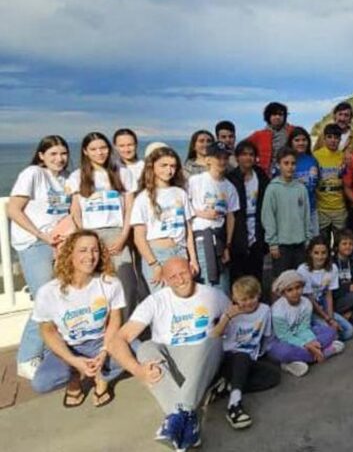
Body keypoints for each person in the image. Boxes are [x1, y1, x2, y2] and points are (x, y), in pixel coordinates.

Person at [108, 257, 229, 450]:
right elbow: (117, 340)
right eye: (173, 277)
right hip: (169, 361)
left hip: (200, 358)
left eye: (183, 273)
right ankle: (186, 417)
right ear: (165, 279)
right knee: (147, 347)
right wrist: (137, 370)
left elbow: (235, 323)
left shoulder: (214, 295)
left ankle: (177, 419)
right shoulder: (156, 300)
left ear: (192, 270)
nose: (180, 280)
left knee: (214, 341)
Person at [30, 231, 126, 407]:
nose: (90, 256)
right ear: (70, 254)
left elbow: (115, 321)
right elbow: (47, 330)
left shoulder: (111, 284)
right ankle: (74, 377)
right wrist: (72, 360)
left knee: (137, 353)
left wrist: (105, 351)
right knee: (41, 383)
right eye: (83, 250)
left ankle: (102, 377)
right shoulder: (48, 292)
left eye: (95, 250)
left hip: (100, 341)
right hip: (68, 345)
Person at [9, 136, 71, 380]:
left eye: (63, 153)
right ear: (41, 155)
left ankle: (47, 351)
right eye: (53, 153)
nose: (59, 158)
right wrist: (40, 234)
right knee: (45, 299)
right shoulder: (33, 173)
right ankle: (26, 358)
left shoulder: (65, 179)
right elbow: (13, 209)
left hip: (58, 245)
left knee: (58, 298)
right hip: (34, 244)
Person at [66, 132, 138, 318]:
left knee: (126, 282)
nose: (99, 153)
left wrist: (123, 236)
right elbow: (76, 211)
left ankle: (124, 328)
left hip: (116, 232)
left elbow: (130, 207)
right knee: (96, 283)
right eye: (94, 149)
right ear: (85, 151)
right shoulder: (77, 176)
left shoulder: (122, 172)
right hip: (90, 234)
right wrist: (83, 238)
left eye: (103, 148)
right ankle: (104, 328)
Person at [210, 276, 280, 430]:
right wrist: (227, 318)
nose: (248, 302)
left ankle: (229, 386)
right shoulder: (231, 313)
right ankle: (234, 405)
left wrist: (266, 354)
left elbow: (267, 337)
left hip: (251, 356)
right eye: (243, 299)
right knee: (241, 357)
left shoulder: (265, 310)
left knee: (274, 376)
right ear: (235, 298)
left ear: (259, 295)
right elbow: (214, 335)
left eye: (252, 297)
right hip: (231, 357)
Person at [130, 147, 198, 292]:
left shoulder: (180, 193)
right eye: (164, 165)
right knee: (162, 298)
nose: (169, 170)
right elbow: (139, 238)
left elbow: (188, 231)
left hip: (180, 250)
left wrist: (193, 258)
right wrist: (154, 264)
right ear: (152, 166)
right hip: (157, 253)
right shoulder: (143, 198)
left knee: (184, 295)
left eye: (172, 166)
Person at [267, 270, 345, 377]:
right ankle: (325, 352)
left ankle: (298, 361)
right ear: (283, 293)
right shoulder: (277, 310)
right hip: (282, 340)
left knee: (330, 331)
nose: (295, 292)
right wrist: (307, 345)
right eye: (290, 290)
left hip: (303, 335)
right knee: (283, 352)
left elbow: (304, 327)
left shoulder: (306, 303)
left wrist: (311, 342)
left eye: (298, 288)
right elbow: (284, 336)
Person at [188, 141, 240, 291]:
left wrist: (228, 245)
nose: (222, 161)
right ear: (208, 159)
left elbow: (231, 217)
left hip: (220, 238)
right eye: (218, 157)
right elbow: (185, 207)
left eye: (225, 157)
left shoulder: (229, 187)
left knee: (223, 284)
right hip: (200, 238)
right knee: (205, 283)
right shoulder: (195, 181)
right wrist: (203, 213)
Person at [261, 148, 312, 281]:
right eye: (286, 163)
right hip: (281, 245)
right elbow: (268, 217)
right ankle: (277, 303)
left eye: (293, 163)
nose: (290, 167)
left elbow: (306, 215)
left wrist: (308, 238)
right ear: (279, 165)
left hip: (300, 244)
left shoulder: (301, 188)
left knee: (299, 280)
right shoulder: (273, 188)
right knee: (280, 281)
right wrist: (272, 243)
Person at [226, 141, 270, 285]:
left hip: (257, 228)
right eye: (244, 154)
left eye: (251, 154)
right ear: (237, 157)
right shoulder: (231, 178)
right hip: (239, 230)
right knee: (238, 274)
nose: (248, 158)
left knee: (257, 272)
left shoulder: (260, 175)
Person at [297, 237, 353, 341]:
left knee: (349, 331)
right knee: (330, 331)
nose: (320, 257)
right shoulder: (303, 270)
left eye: (323, 253)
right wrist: (328, 319)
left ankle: (329, 337)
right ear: (310, 253)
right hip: (309, 309)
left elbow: (329, 295)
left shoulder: (332, 268)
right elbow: (310, 298)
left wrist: (331, 318)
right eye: (316, 253)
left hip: (323, 305)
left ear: (328, 253)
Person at [314, 123, 348, 243]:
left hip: (340, 209)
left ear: (340, 139)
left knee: (340, 245)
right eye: (330, 137)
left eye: (336, 137)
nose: (333, 140)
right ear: (324, 138)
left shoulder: (343, 157)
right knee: (322, 244)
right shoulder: (315, 156)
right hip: (321, 209)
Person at [245, 102, 295, 176]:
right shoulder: (259, 135)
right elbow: (242, 147)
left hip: (290, 173)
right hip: (266, 175)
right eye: (274, 114)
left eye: (281, 114)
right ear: (268, 116)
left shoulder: (293, 131)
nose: (278, 117)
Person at [288, 127, 320, 236]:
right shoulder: (287, 161)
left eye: (304, 140)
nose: (301, 143)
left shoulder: (312, 160)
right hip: (292, 212)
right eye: (297, 140)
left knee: (314, 244)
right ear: (291, 142)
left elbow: (316, 184)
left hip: (311, 210)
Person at [332, 230, 353, 327]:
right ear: (337, 246)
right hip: (338, 297)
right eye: (344, 244)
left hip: (351, 299)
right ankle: (337, 314)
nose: (348, 246)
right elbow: (332, 289)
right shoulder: (332, 263)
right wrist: (348, 287)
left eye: (350, 244)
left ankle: (345, 314)